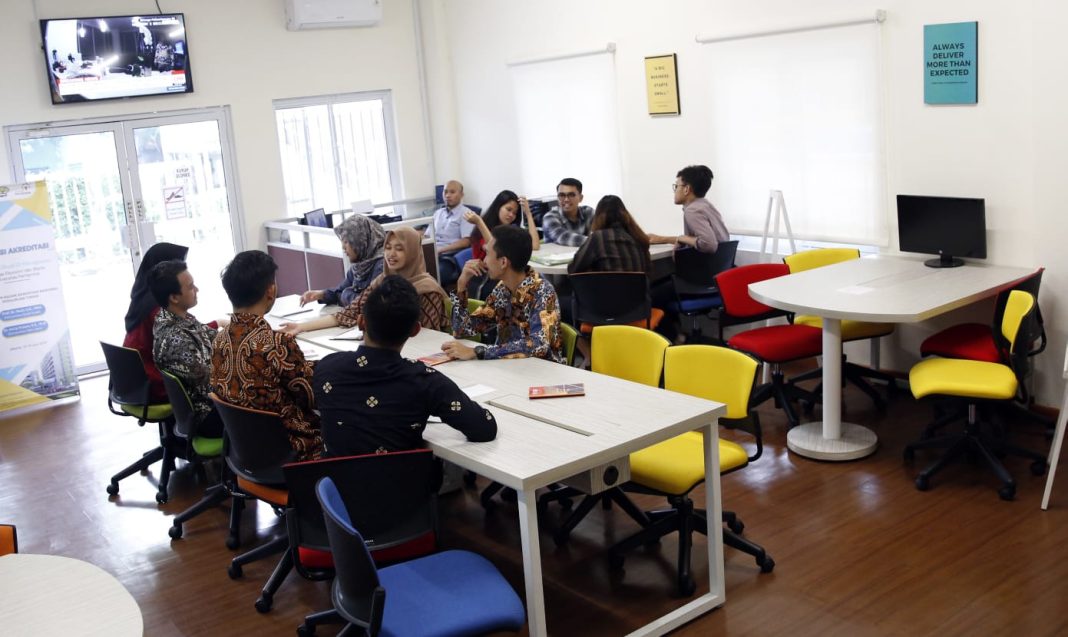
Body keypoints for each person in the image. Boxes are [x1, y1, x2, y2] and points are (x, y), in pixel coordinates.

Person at [314, 275, 497, 457]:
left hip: (335, 483)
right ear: (415, 330)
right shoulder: (425, 381)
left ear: (361, 322)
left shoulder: (326, 368)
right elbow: (484, 427)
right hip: (402, 484)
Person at [211, 250, 322, 462]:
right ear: (270, 291)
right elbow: (313, 397)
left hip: (244, 451)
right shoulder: (277, 345)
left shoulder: (219, 341)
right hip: (291, 451)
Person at [283, 227, 448, 335]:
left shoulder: (426, 288)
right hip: (391, 351)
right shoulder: (382, 281)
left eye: (399, 249)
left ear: (412, 253)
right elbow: (350, 312)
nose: (391, 254)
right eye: (388, 248)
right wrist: (301, 327)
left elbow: (428, 336)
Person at [442, 225, 564, 362]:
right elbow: (462, 331)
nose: (484, 260)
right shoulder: (502, 289)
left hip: (543, 372)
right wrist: (461, 286)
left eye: (487, 254)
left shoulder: (543, 291)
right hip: (507, 368)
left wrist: (478, 352)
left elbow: (539, 345)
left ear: (503, 262)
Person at [149, 260, 224, 437]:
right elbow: (214, 382)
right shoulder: (176, 339)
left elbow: (212, 336)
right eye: (190, 287)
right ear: (174, 297)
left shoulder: (178, 319)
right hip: (208, 416)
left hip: (213, 405)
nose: (197, 289)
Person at [123, 242, 189, 403]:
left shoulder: (143, 297)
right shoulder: (158, 309)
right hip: (154, 382)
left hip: (137, 378)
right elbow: (184, 338)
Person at [299, 214, 386, 307]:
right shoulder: (359, 266)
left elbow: (367, 303)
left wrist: (346, 294)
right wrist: (321, 294)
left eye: (346, 242)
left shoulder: (381, 266)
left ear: (360, 241)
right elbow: (340, 290)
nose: (343, 247)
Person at [648, 165, 730, 253]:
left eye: (676, 186)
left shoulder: (692, 210)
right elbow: (698, 240)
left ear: (686, 189)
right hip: (719, 266)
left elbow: (709, 245)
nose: (674, 191)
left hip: (703, 265)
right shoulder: (706, 205)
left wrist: (681, 238)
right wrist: (662, 239)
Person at [568, 195, 651, 274]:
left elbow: (573, 268)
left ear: (598, 217)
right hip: (637, 288)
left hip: (609, 288)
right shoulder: (636, 236)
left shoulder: (598, 238)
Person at [465, 190, 540, 261]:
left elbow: (535, 246)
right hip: (486, 273)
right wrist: (479, 222)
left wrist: (528, 214)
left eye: (515, 213)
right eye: (508, 209)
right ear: (498, 207)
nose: (511, 215)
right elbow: (496, 250)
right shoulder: (484, 228)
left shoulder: (509, 229)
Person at [426, 180, 475, 285]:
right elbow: (427, 236)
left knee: (432, 276)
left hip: (449, 257)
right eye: (445, 192)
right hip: (432, 253)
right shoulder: (438, 213)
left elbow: (466, 241)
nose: (448, 195)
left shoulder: (467, 214)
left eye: (452, 192)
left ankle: (440, 299)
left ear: (461, 195)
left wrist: (440, 250)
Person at [541, 177, 594, 247]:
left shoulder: (588, 212)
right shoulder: (549, 217)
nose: (566, 199)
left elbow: (600, 232)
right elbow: (564, 238)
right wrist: (597, 241)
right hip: (556, 256)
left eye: (571, 195)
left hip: (581, 256)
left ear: (580, 198)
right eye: (562, 195)